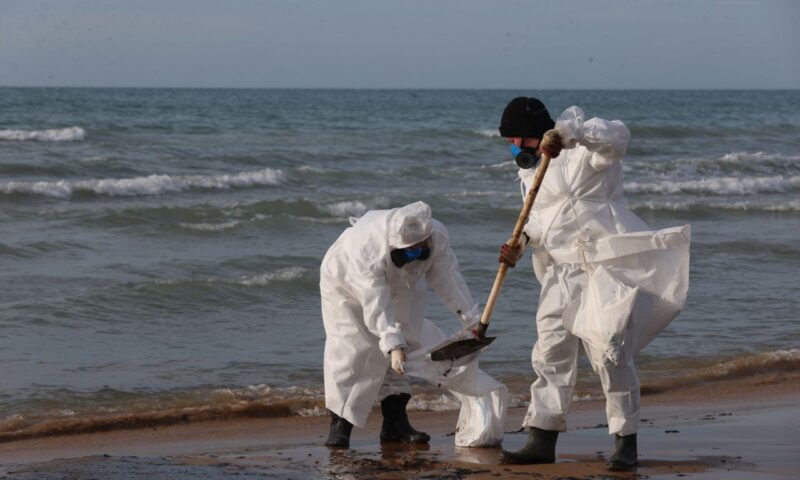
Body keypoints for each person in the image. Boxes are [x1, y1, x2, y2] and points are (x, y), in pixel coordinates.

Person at [493, 97, 690, 471]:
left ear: (536, 132)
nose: (514, 148)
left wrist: (571, 134)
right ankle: (541, 436)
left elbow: (618, 138)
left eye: (517, 139)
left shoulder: (585, 154)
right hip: (559, 273)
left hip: (602, 269)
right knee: (550, 353)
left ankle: (625, 441)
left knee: (609, 353)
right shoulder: (530, 173)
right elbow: (541, 219)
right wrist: (521, 243)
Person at [320, 200, 484, 448]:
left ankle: (395, 424)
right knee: (352, 350)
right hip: (346, 284)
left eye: (420, 250)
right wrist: (391, 343)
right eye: (408, 251)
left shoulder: (436, 235)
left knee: (409, 340)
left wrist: (471, 318)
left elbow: (448, 277)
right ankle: (340, 426)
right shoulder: (365, 248)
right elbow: (375, 301)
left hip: (406, 281)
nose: (415, 254)